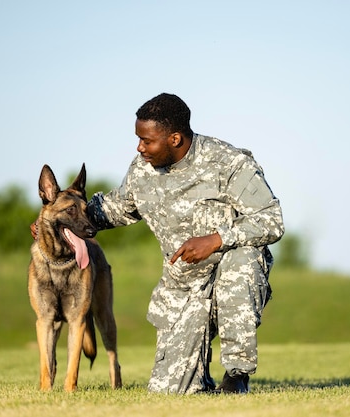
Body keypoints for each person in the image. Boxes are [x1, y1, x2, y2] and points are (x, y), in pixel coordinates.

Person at [86, 93, 284, 394]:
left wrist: (217, 240)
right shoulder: (142, 169)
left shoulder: (227, 162)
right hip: (183, 289)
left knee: (242, 258)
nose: (140, 147)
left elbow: (271, 219)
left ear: (175, 139)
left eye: (147, 140)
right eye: (139, 139)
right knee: (169, 392)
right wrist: (60, 216)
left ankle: (236, 375)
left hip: (229, 281)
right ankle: (198, 381)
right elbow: (115, 209)